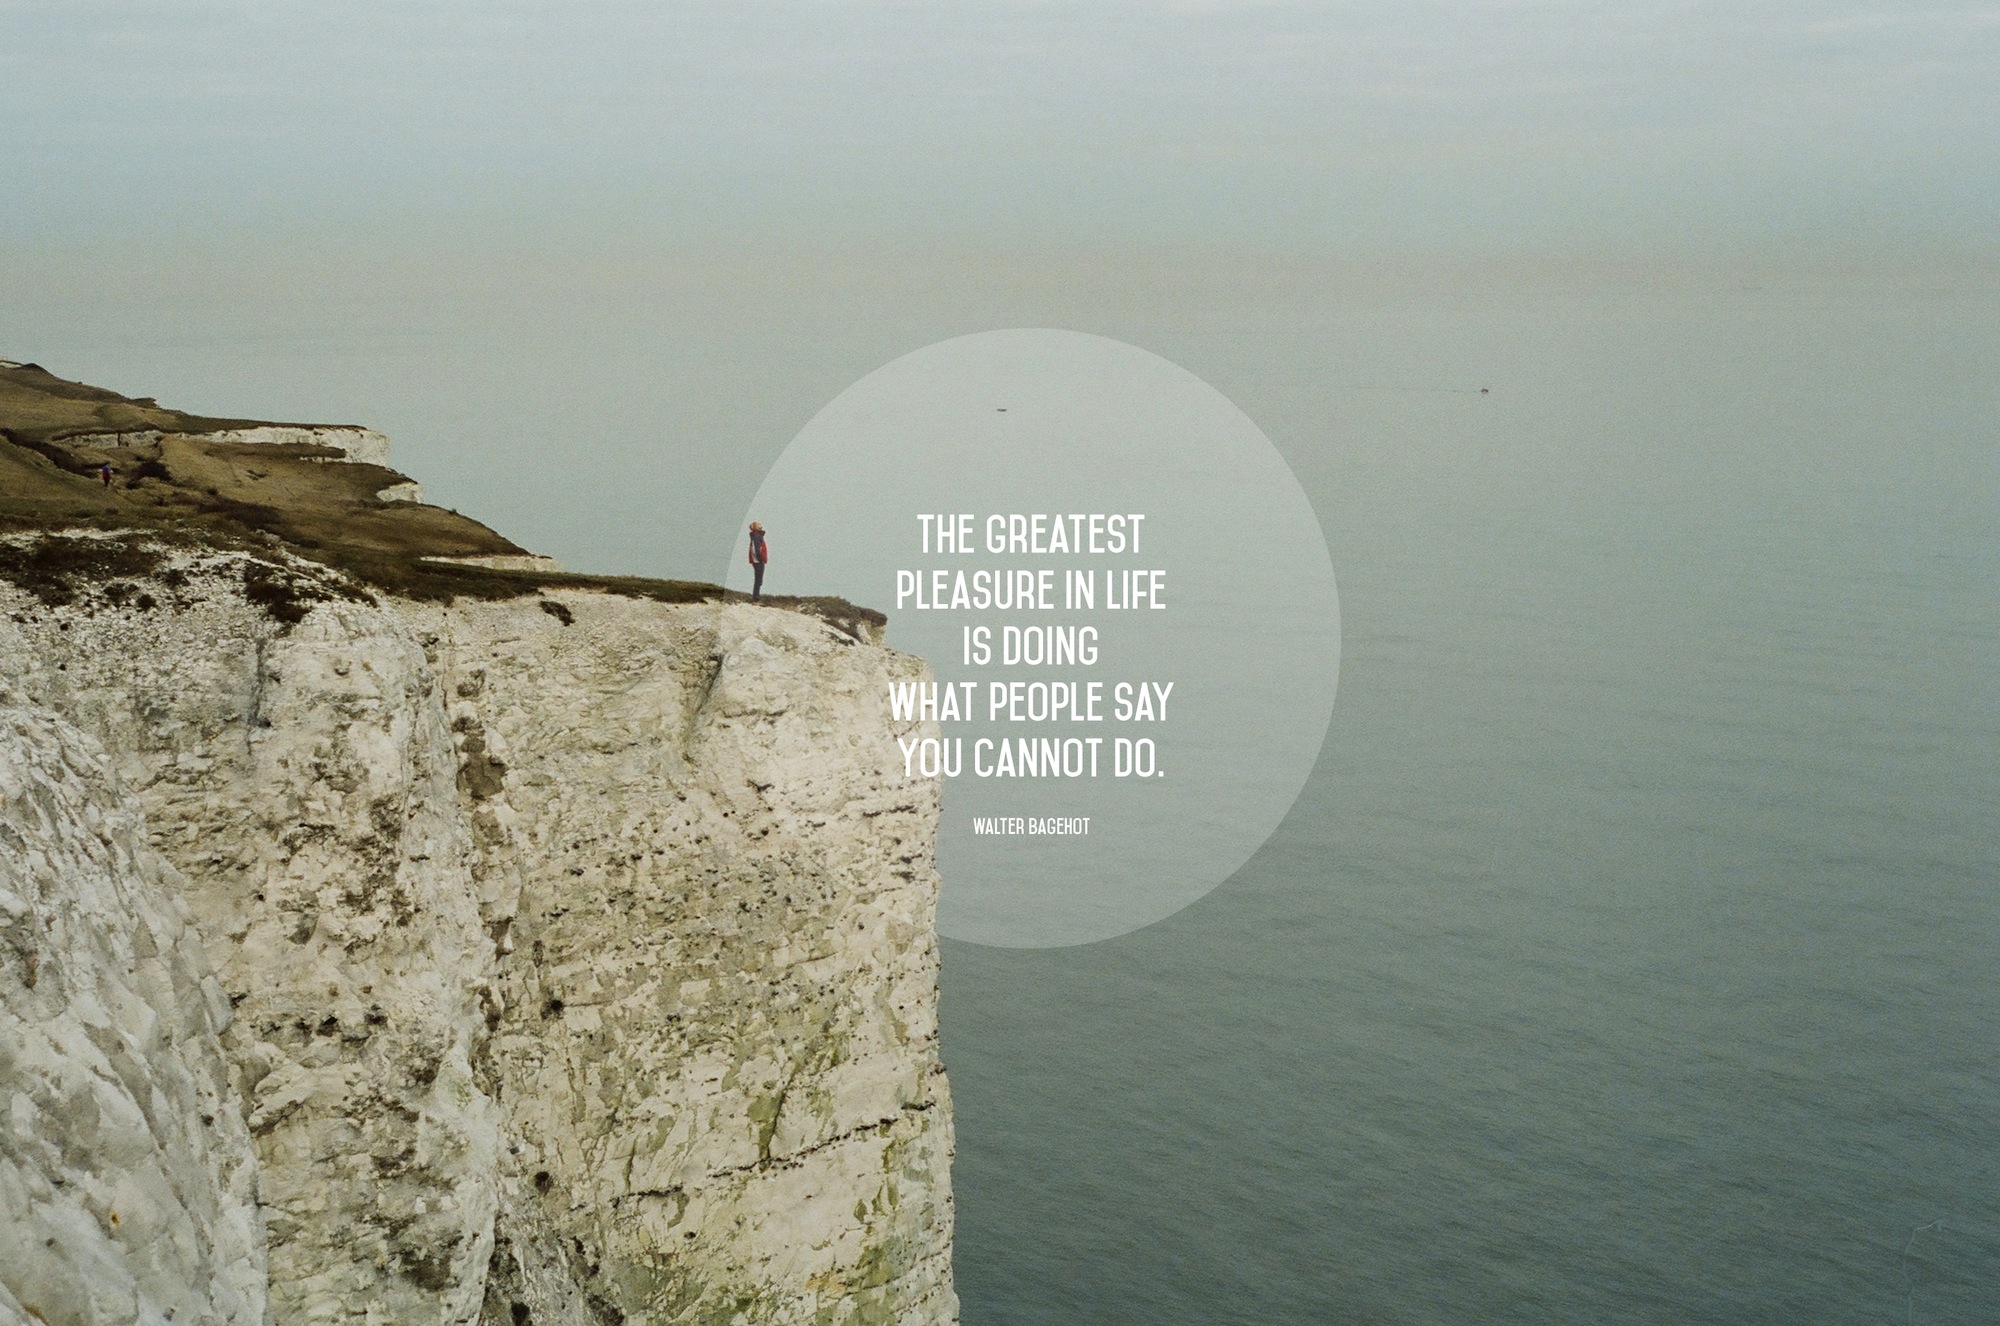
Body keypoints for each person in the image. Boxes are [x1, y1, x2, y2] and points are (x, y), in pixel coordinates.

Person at [747, 521, 769, 599]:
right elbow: (755, 549)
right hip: (758, 561)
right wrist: (760, 559)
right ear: (756, 527)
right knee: (758, 580)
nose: (761, 525)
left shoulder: (757, 536)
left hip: (758, 561)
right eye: (759, 524)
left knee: (759, 580)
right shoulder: (757, 536)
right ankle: (755, 598)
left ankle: (756, 597)